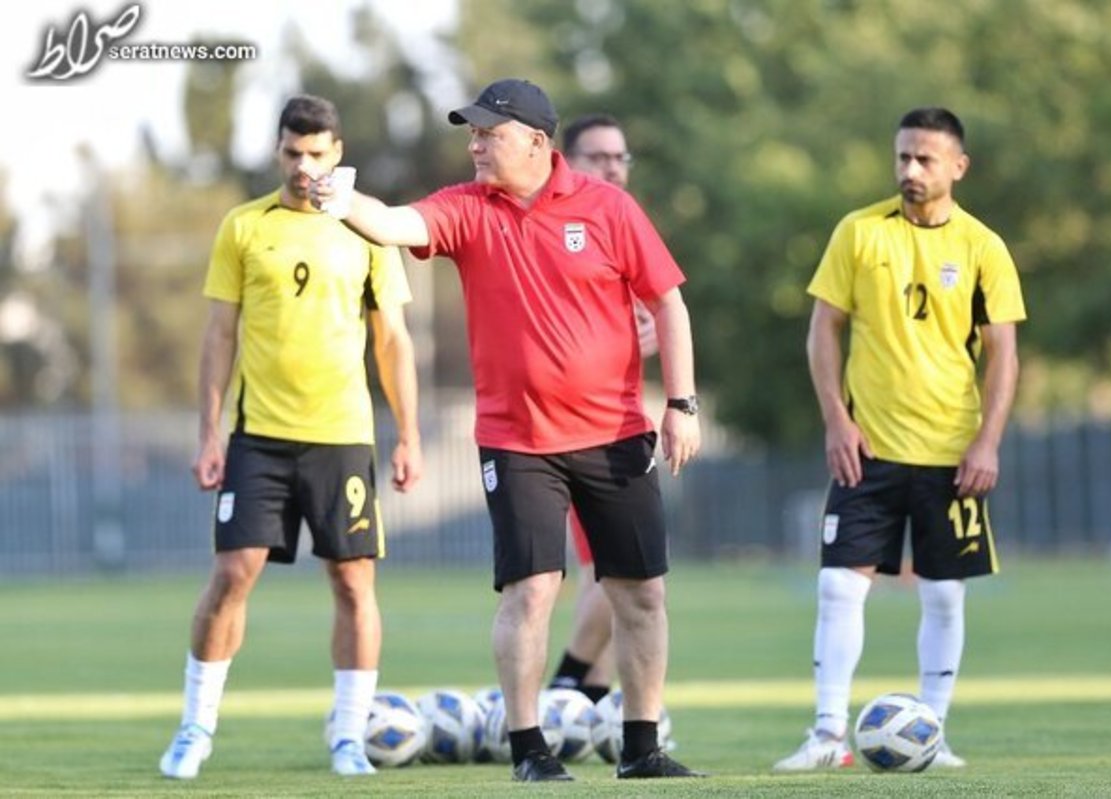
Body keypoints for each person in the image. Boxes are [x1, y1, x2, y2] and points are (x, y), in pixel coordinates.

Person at [312, 78, 704, 782]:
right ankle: (529, 750)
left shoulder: (609, 207)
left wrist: (681, 403)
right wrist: (343, 202)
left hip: (616, 434)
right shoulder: (467, 209)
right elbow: (397, 222)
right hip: (518, 441)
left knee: (641, 590)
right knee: (532, 589)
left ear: (535, 142)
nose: (475, 144)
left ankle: (641, 746)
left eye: (487, 133)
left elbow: (668, 302)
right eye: (472, 132)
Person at [158, 94, 423, 780]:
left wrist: (410, 435)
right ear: (278, 152)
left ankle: (347, 736)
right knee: (230, 574)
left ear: (337, 153)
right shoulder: (245, 226)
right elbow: (219, 334)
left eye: (316, 153)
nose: (303, 165)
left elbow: (392, 340)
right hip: (259, 437)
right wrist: (208, 431)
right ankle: (195, 727)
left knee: (353, 582)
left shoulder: (367, 230)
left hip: (343, 436)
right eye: (291, 152)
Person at [773, 107, 1025, 772]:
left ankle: (931, 732)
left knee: (943, 593)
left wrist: (988, 441)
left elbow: (1004, 354)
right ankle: (828, 734)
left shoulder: (983, 247)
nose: (911, 170)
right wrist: (836, 418)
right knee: (838, 587)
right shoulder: (858, 233)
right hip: (869, 448)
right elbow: (823, 328)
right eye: (903, 157)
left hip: (951, 453)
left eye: (926, 160)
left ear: (957, 167)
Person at [547, 113, 654, 705]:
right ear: (568, 160)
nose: (614, 167)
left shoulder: (625, 224)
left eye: (621, 157)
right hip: (571, 431)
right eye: (599, 157)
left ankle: (591, 700)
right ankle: (567, 690)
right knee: (609, 575)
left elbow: (657, 314)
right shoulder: (564, 224)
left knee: (635, 579)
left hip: (622, 427)